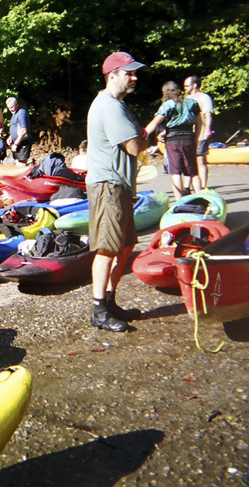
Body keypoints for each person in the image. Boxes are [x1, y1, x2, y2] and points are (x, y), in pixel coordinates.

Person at [86, 52, 148, 332]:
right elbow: (135, 145)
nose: (134, 77)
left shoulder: (118, 105)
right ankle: (99, 310)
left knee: (125, 245)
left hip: (118, 185)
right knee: (107, 248)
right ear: (112, 75)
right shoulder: (110, 107)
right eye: (128, 73)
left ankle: (110, 301)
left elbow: (137, 134)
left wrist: (140, 134)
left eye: (135, 73)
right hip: (108, 186)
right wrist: (143, 137)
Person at [145, 81, 200, 200]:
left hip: (173, 141)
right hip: (189, 138)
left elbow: (156, 122)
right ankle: (201, 198)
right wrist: (196, 137)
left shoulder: (168, 104)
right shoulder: (192, 102)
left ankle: (178, 201)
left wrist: (143, 134)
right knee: (193, 171)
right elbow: (199, 122)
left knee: (176, 171)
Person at [184, 75, 214, 189]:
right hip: (188, 135)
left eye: (187, 85)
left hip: (200, 134)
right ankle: (188, 188)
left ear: (194, 85)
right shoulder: (186, 99)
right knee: (188, 161)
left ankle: (204, 187)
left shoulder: (204, 98)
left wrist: (207, 130)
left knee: (200, 160)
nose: (185, 88)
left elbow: (208, 115)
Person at [5, 97, 32, 165]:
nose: (10, 109)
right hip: (16, 142)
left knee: (21, 165)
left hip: (23, 142)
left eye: (12, 107)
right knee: (17, 163)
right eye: (9, 108)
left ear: (16, 104)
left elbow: (23, 130)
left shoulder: (21, 113)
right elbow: (16, 127)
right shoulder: (15, 114)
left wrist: (16, 144)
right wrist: (10, 137)